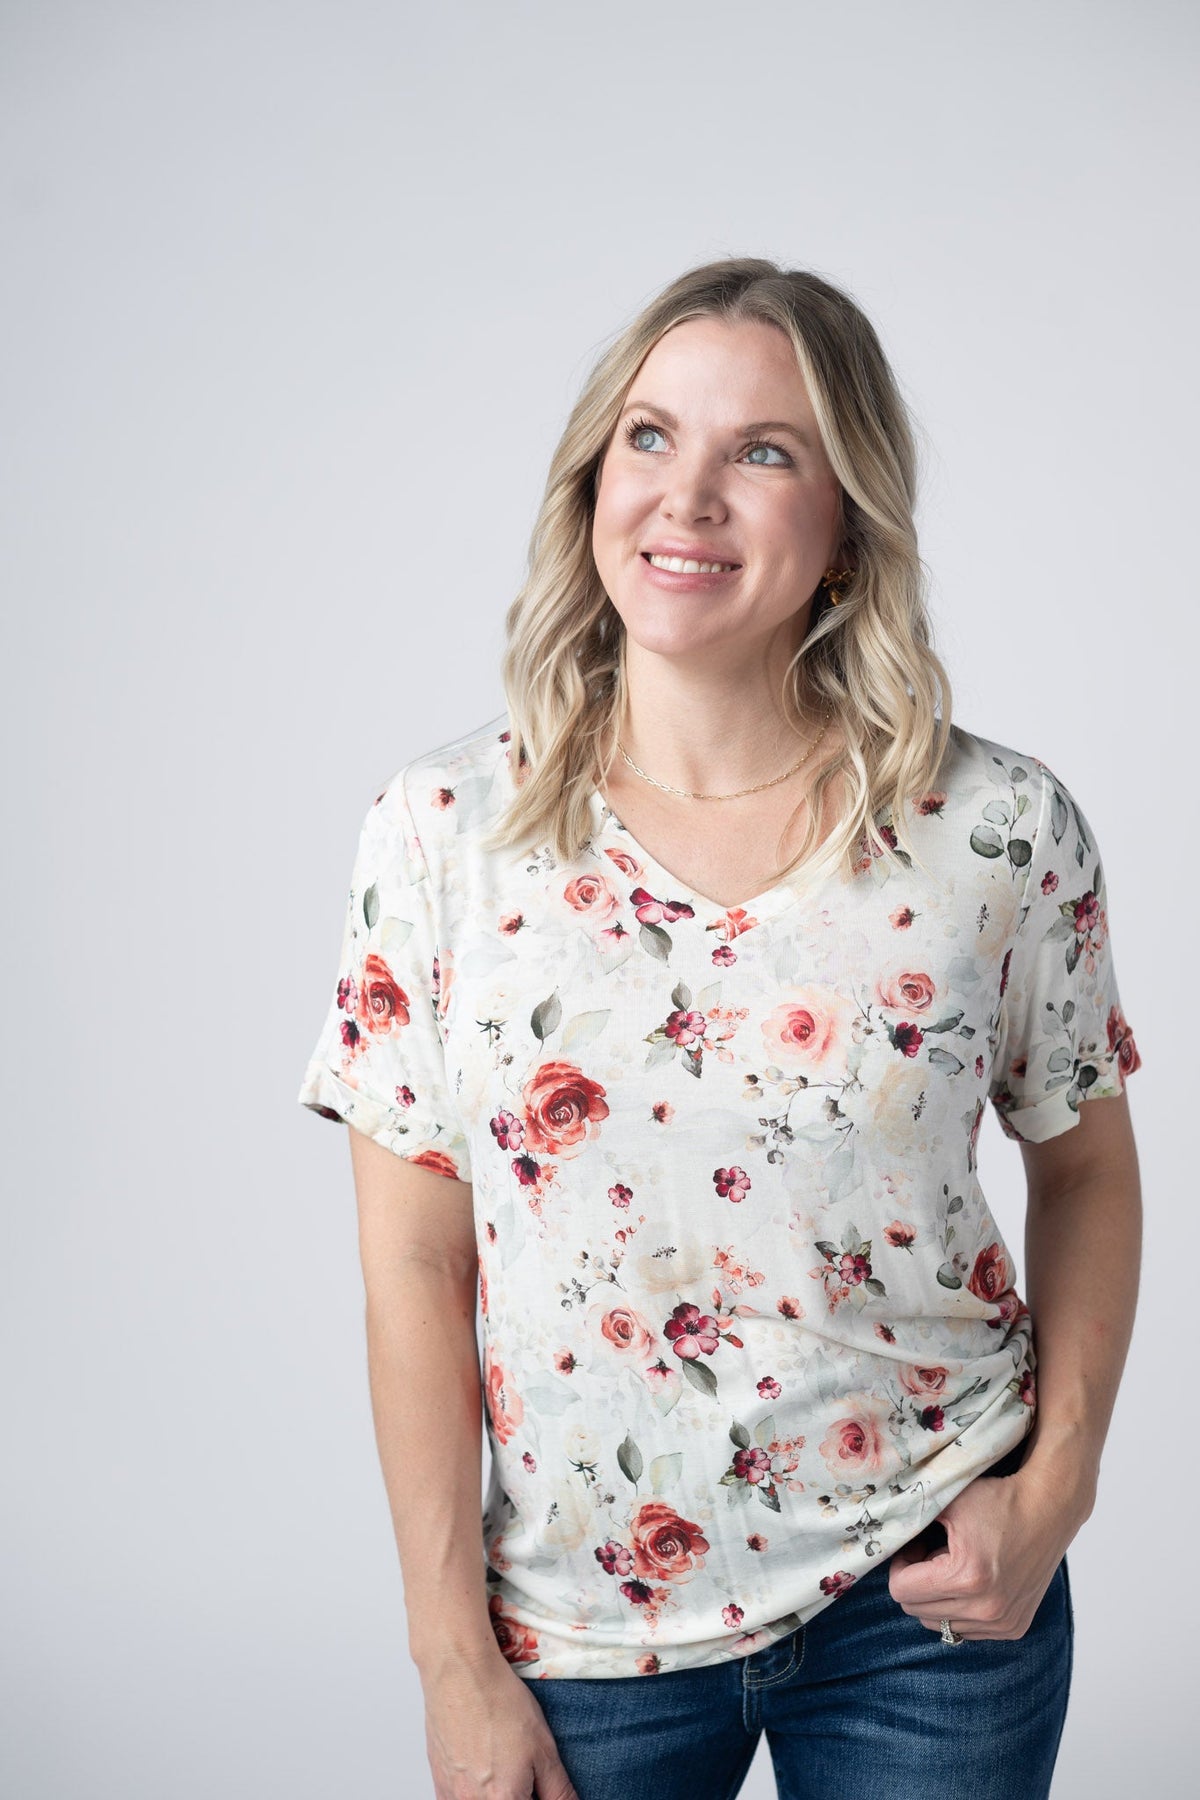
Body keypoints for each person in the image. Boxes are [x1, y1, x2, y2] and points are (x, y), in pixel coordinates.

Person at [297, 258, 1143, 1800]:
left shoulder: (998, 831)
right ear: (593, 481)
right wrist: (449, 1658)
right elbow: (415, 1264)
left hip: (933, 1600)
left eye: (762, 451)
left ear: (848, 524)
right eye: (650, 436)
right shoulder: (442, 835)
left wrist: (1060, 1487)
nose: (687, 497)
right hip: (576, 1626)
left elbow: (1084, 1168)